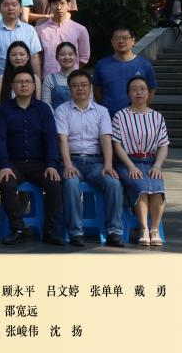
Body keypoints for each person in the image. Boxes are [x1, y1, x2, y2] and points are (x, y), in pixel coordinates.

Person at [0, 68, 65, 246]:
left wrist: (52, 164)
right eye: (19, 82)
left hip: (39, 164)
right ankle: (17, 229)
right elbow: (0, 139)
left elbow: (51, 138)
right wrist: (4, 165)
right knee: (6, 183)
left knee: (55, 185)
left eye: (27, 82)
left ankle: (50, 230)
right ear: (12, 86)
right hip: (13, 164)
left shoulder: (43, 109)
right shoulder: (3, 110)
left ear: (34, 86)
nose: (24, 85)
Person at [56, 69, 125, 248]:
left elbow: (106, 139)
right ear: (69, 89)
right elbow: (62, 139)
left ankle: (114, 232)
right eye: (75, 85)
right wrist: (68, 165)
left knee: (113, 183)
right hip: (72, 160)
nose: (80, 89)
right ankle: (76, 232)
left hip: (96, 163)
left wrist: (108, 165)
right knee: (71, 182)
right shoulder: (62, 110)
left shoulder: (102, 111)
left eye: (84, 85)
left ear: (90, 87)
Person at [111, 77, 169, 246]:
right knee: (140, 185)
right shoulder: (120, 116)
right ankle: (143, 229)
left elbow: (163, 145)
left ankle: (154, 229)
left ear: (148, 93)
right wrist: (130, 166)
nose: (139, 92)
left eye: (143, 88)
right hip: (128, 162)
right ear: (128, 93)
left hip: (150, 161)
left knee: (157, 187)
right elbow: (117, 144)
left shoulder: (157, 117)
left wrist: (157, 166)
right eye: (134, 89)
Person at [93, 26, 157, 117]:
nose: (121, 41)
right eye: (117, 38)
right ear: (112, 42)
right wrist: (105, 109)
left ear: (133, 41)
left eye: (125, 38)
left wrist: (142, 109)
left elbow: (152, 89)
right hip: (109, 118)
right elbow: (97, 91)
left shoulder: (144, 65)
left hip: (137, 117)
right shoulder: (102, 65)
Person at [0, 0, 42, 80]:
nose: (10, 8)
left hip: (25, 81)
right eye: (6, 5)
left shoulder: (30, 30)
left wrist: (37, 80)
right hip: (0, 81)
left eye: (14, 5)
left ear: (21, 9)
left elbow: (34, 57)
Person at [35, 0, 89, 77]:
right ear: (50, 5)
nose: (58, 7)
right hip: (48, 78)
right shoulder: (40, 29)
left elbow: (84, 57)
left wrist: (71, 70)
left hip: (72, 79)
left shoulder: (80, 29)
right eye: (55, 3)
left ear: (69, 5)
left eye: (62, 3)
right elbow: (37, 57)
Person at [42, 42, 79, 109]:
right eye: (62, 54)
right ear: (56, 57)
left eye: (70, 54)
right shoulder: (49, 78)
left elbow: (89, 101)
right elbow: (46, 104)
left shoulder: (83, 78)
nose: (67, 57)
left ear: (76, 56)